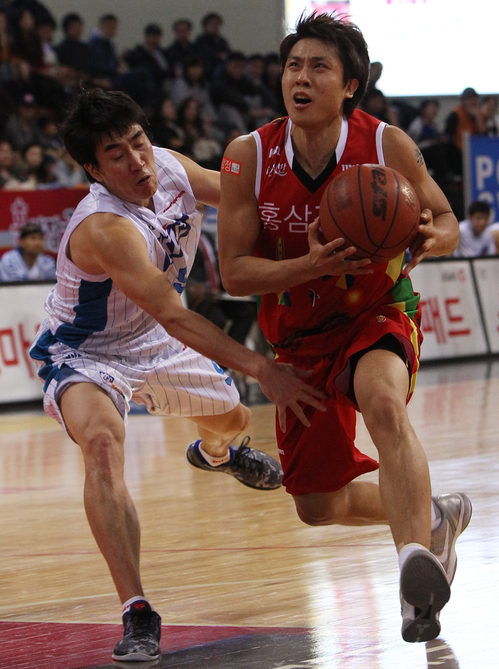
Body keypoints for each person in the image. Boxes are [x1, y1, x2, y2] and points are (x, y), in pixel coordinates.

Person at [28, 88, 325, 662]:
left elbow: (247, 197)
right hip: (88, 351)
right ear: (93, 168)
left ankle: (216, 454)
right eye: (116, 154)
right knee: (99, 442)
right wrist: (264, 367)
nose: (137, 160)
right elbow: (175, 313)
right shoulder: (105, 227)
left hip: (157, 339)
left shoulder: (168, 166)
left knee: (232, 421)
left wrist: (318, 214)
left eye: (138, 141)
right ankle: (136, 610)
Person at [217, 12, 472, 645]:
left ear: (350, 85)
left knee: (382, 400)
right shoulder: (247, 156)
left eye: (318, 67)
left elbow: (447, 222)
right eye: (293, 66)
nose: (300, 78)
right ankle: (430, 519)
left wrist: (424, 239)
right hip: (298, 335)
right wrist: (309, 262)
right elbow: (234, 275)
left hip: (376, 309)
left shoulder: (387, 145)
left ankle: (415, 583)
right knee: (317, 506)